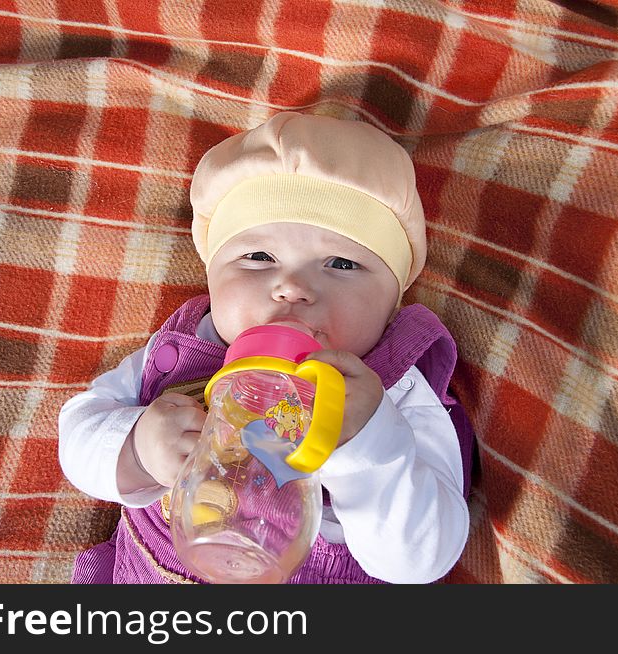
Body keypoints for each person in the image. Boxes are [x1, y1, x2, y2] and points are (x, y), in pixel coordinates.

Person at [59, 111, 474, 584]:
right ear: (212, 276)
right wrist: (137, 448)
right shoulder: (185, 349)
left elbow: (423, 559)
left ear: (391, 306)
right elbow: (78, 432)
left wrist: (367, 444)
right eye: (258, 257)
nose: (292, 286)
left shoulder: (394, 394)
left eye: (341, 263)